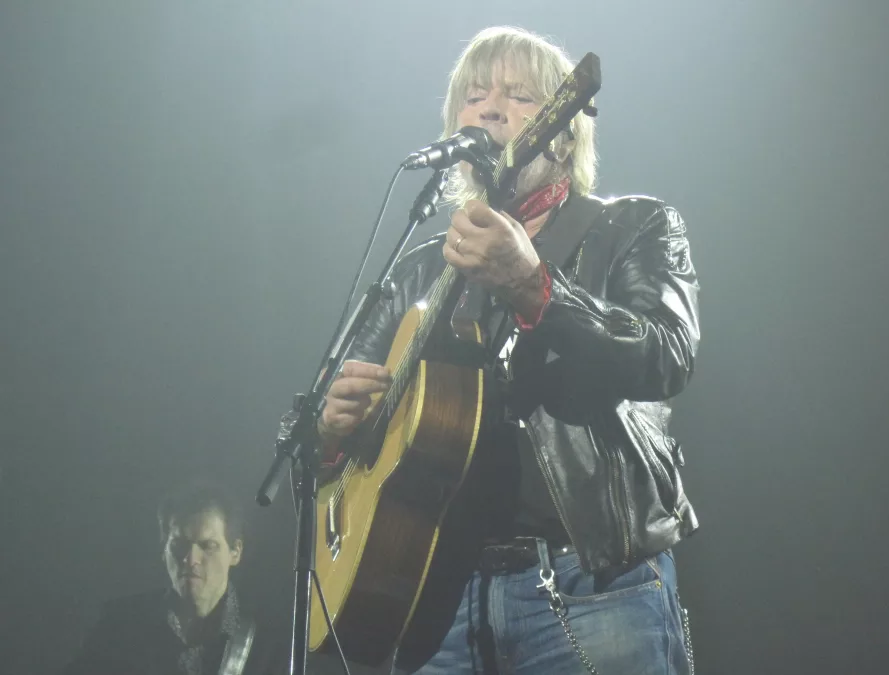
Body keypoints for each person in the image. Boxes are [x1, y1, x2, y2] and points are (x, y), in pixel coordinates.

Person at [316, 26, 699, 674]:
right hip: (435, 600)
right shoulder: (418, 270)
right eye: (474, 97)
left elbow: (666, 353)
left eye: (519, 96)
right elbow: (324, 436)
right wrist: (333, 429)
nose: (490, 109)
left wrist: (534, 287)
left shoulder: (633, 226)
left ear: (564, 131)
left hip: (590, 582)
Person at [61, 483, 281, 675]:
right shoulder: (119, 626)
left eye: (208, 545)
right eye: (179, 545)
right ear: (163, 549)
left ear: (235, 551)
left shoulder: (270, 641)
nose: (191, 559)